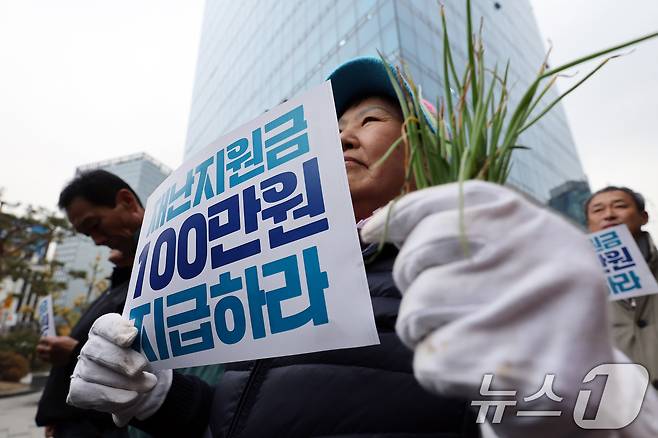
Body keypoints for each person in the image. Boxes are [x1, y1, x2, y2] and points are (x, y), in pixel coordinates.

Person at [66, 57, 480, 437]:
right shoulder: (280, 281)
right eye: (331, 130)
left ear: (428, 156)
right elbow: (239, 417)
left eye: (369, 120)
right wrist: (158, 399)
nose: (343, 138)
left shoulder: (471, 271)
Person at [36, 167, 145, 438]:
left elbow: (140, 364)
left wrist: (74, 352)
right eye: (87, 235)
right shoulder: (122, 279)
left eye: (94, 225)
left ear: (127, 202)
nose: (97, 241)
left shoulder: (158, 279)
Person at [585, 186, 658, 385]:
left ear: (644, 217)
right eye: (598, 210)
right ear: (589, 224)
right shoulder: (578, 281)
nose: (609, 215)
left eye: (620, 206)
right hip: (625, 402)